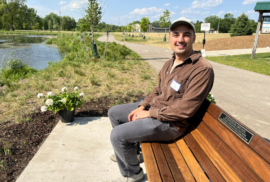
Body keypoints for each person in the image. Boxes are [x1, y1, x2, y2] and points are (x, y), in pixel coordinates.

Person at [109, 17, 214, 182]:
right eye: (176, 34)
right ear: (170, 37)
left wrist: (150, 114)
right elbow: (158, 89)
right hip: (156, 110)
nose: (180, 39)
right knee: (114, 113)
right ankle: (133, 155)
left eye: (186, 35)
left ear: (194, 38)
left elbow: (184, 110)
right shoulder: (170, 62)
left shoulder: (201, 69)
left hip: (171, 124)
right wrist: (143, 106)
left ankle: (133, 173)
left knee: (117, 135)